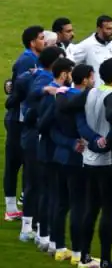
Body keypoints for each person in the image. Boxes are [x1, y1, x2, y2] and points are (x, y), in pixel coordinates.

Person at [80, 56, 112, 268]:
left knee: (90, 208)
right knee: (109, 211)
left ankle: (84, 257)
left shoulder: (91, 91)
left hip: (88, 158)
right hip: (106, 160)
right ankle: (106, 263)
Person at [13, 43, 62, 246]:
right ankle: (30, 228)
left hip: (31, 134)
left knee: (36, 183)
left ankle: (34, 227)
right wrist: (47, 89)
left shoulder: (36, 74)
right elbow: (33, 93)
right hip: (36, 136)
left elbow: (21, 83)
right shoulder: (45, 78)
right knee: (38, 183)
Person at [50, 62, 96, 264]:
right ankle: (77, 253)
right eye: (92, 76)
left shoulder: (61, 96)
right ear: (85, 79)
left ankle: (59, 248)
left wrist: (67, 143)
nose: (94, 80)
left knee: (61, 203)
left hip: (60, 156)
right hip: (78, 159)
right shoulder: (83, 101)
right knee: (79, 205)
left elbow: (50, 129)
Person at [4, 24, 46, 222]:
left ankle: (19, 205)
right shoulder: (28, 60)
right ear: (32, 42)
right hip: (18, 120)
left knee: (23, 163)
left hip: (21, 119)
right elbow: (20, 91)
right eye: (41, 38)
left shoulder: (33, 58)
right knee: (15, 163)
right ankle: (12, 208)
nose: (44, 41)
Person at [35, 53, 75, 255]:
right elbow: (44, 122)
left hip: (48, 149)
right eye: (71, 73)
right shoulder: (54, 95)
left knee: (50, 195)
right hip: (51, 150)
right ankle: (48, 239)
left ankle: (46, 237)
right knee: (53, 196)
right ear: (64, 74)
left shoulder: (51, 91)